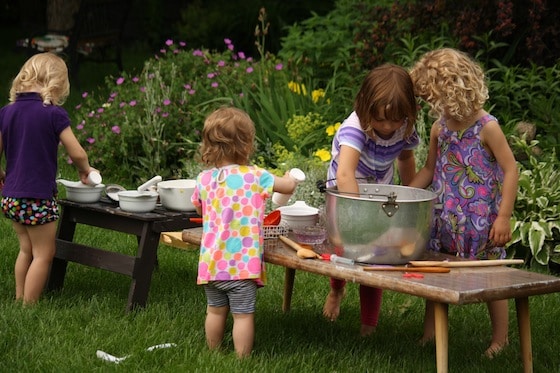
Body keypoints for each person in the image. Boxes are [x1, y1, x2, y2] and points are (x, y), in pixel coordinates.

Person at [409, 48, 519, 358]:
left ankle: (500, 339)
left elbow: (511, 169)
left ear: (454, 90)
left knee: (493, 278)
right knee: (437, 276)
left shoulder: (488, 127)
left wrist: (504, 217)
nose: (434, 107)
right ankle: (430, 334)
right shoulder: (440, 128)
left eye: (436, 100)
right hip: (447, 219)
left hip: (482, 222)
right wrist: (403, 194)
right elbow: (429, 170)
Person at [190, 106, 297, 358]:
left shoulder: (204, 180)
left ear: (209, 146)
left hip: (212, 263)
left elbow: (198, 204)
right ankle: (242, 359)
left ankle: (213, 352)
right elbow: (286, 185)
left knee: (214, 311)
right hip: (240, 266)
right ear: (247, 145)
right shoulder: (256, 176)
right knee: (243, 315)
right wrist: (291, 177)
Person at [323, 64, 419, 336]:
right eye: (380, 120)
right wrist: (357, 215)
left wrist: (409, 194)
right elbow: (345, 173)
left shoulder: (405, 127)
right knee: (345, 252)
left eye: (395, 120)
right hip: (347, 195)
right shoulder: (355, 128)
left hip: (379, 194)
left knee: (377, 256)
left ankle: (368, 326)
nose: (388, 127)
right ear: (365, 109)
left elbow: (406, 157)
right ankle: (336, 289)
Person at [0, 52, 98, 305]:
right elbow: (76, 152)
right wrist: (84, 170)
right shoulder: (53, 114)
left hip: (11, 197)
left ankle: (19, 296)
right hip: (37, 198)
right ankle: (29, 305)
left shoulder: (7, 112)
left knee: (26, 249)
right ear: (57, 84)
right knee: (44, 254)